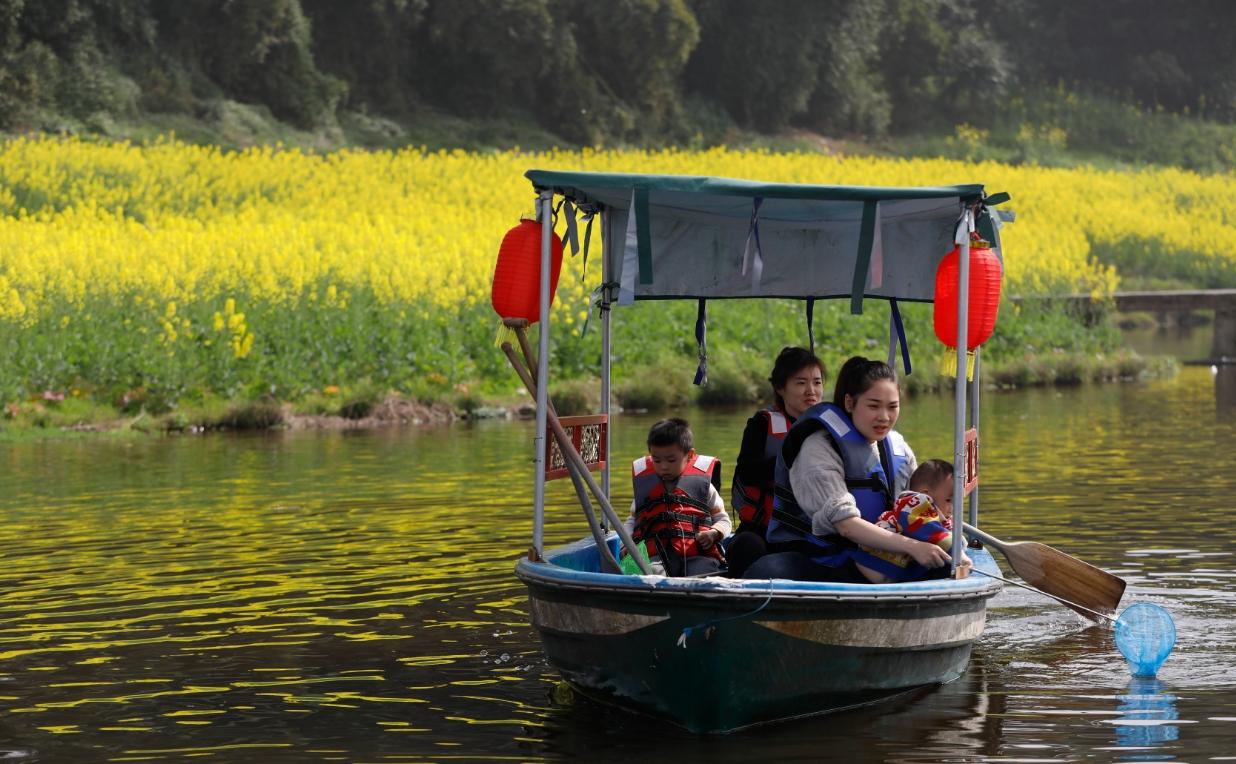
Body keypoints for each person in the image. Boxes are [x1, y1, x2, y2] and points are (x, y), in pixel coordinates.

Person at [744, 356, 953, 582]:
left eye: (892, 406)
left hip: (884, 556)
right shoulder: (818, 447)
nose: (884, 417)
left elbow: (915, 507)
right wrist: (913, 546)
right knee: (771, 571)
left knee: (949, 560)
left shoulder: (897, 446)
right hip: (825, 559)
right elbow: (846, 526)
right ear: (850, 403)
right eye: (873, 406)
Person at [726, 346, 824, 578]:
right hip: (761, 529)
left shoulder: (829, 428)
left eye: (817, 382)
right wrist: (795, 460)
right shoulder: (762, 424)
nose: (811, 391)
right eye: (801, 383)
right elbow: (748, 473)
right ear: (781, 388)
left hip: (809, 531)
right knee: (746, 546)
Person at [622, 417, 732, 577]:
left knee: (705, 573)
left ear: (689, 455)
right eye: (657, 460)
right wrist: (627, 544)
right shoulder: (646, 486)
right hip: (656, 558)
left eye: (671, 460)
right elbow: (632, 521)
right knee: (650, 574)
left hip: (697, 555)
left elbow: (724, 520)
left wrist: (714, 533)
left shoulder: (704, 486)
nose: (663, 466)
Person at [853, 459, 972, 583]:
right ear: (926, 495)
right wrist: (960, 556)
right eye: (948, 500)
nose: (952, 508)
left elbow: (948, 532)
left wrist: (961, 546)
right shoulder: (915, 504)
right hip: (874, 564)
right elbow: (934, 533)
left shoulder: (936, 515)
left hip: (895, 566)